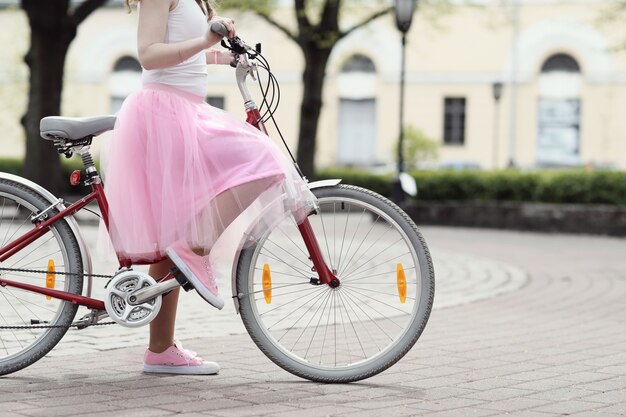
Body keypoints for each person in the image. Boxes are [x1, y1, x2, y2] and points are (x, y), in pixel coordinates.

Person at [103, 0, 317, 375]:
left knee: (170, 234)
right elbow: (149, 55)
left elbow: (181, 54)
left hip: (182, 112)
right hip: (165, 115)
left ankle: (160, 350)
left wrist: (225, 58)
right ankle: (195, 247)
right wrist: (205, 41)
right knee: (263, 159)